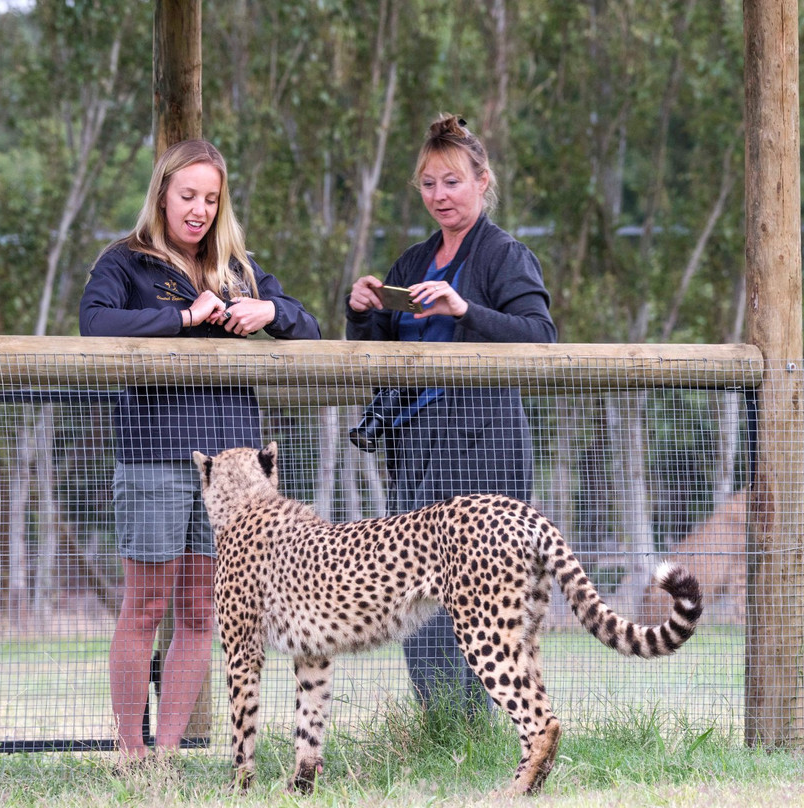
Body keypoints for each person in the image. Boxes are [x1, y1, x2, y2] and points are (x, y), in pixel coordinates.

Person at [79, 139, 320, 763]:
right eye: (188, 195)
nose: (199, 210)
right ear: (162, 193)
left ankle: (169, 750)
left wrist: (268, 309)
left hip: (234, 473)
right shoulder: (124, 262)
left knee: (199, 612)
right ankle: (132, 754)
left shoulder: (238, 264)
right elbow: (96, 324)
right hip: (154, 454)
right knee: (146, 606)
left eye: (211, 199)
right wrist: (185, 319)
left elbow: (308, 325)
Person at [346, 114, 556, 711]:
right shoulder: (411, 263)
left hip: (485, 450)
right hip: (416, 453)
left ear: (483, 181)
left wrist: (464, 309)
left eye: (453, 182)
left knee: (483, 600)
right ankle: (441, 728)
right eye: (429, 184)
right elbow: (371, 356)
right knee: (414, 596)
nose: (440, 195)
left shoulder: (506, 256)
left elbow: (540, 337)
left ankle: (481, 728)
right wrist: (362, 310)